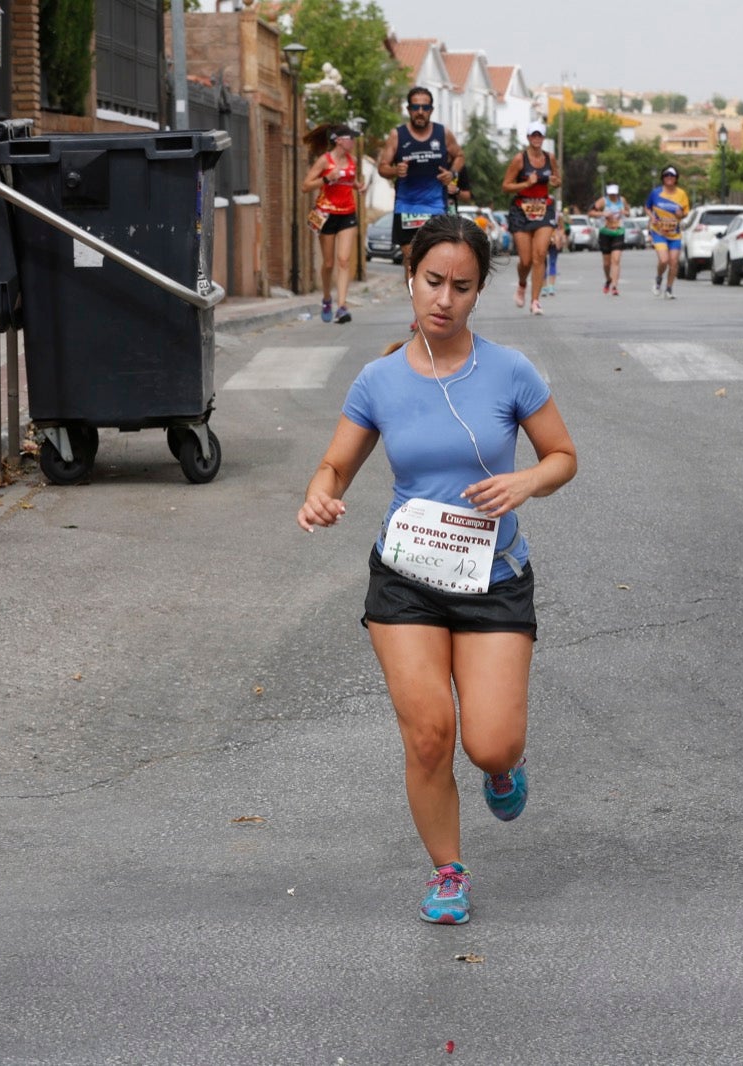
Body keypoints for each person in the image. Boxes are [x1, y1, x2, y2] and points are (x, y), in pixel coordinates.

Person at [296, 214, 578, 926]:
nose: (444, 300)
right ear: (410, 279)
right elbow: (337, 463)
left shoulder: (510, 371)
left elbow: (562, 456)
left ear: (480, 291)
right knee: (428, 733)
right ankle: (448, 870)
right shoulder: (378, 380)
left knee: (490, 741)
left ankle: (503, 767)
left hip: (494, 577)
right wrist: (321, 493)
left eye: (461, 286)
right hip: (407, 578)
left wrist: (526, 483)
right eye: (432, 282)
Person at [377, 87, 465, 287]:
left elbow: (459, 155)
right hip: (406, 206)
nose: (420, 111)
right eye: (416, 107)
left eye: (425, 107)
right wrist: (394, 171)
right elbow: (382, 167)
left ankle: (430, 303)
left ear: (431, 110)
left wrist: (452, 174)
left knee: (436, 257)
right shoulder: (397, 135)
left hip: (435, 206)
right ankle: (417, 309)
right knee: (410, 259)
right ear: (408, 109)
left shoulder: (443, 133)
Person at [302, 127, 367, 324]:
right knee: (329, 263)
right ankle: (327, 298)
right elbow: (305, 186)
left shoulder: (352, 160)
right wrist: (327, 178)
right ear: (339, 140)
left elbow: (351, 180)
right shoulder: (325, 160)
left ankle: (341, 306)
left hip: (347, 213)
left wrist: (358, 186)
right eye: (351, 139)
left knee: (344, 260)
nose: (353, 143)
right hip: (326, 213)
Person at [502, 121, 561, 315]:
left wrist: (555, 181)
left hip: (543, 208)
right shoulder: (520, 159)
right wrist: (526, 183)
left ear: (543, 138)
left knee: (540, 255)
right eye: (533, 135)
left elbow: (558, 180)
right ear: (528, 137)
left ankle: (535, 301)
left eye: (540, 135)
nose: (537, 138)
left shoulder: (550, 158)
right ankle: (521, 285)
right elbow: (506, 186)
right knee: (526, 260)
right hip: (521, 209)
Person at [646, 166, 689, 299]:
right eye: (666, 175)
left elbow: (685, 213)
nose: (669, 178)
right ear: (662, 178)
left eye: (672, 175)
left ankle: (669, 289)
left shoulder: (681, 194)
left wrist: (680, 214)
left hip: (674, 234)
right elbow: (647, 207)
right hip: (659, 232)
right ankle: (658, 279)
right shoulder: (656, 193)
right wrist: (651, 216)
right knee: (664, 260)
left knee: (674, 262)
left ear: (676, 178)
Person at [590, 182, 628, 295]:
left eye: (614, 194)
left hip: (618, 232)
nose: (613, 196)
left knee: (615, 260)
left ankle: (615, 286)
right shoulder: (603, 201)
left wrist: (624, 212)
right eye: (611, 194)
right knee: (607, 263)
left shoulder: (622, 200)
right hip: (605, 232)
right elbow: (591, 212)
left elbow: (628, 212)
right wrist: (602, 214)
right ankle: (608, 279)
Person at [543, 215, 563, 296]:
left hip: (553, 241)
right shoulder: (541, 213)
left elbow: (561, 228)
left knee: (552, 263)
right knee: (543, 264)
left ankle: (550, 287)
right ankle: (544, 287)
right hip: (544, 240)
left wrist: (558, 237)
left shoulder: (557, 215)